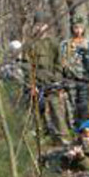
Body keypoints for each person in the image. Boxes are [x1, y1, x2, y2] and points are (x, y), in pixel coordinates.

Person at [25, 11, 70, 144]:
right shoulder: (30, 44)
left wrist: (56, 79)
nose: (39, 28)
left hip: (51, 83)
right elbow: (27, 66)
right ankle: (41, 137)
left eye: (42, 25)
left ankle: (63, 137)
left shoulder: (53, 43)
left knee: (56, 109)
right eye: (37, 25)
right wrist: (31, 85)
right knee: (38, 111)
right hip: (36, 84)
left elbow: (59, 63)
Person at [60, 13, 89, 126]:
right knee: (72, 105)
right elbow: (62, 62)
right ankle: (73, 128)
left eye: (80, 28)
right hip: (71, 80)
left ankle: (85, 128)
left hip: (85, 79)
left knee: (84, 106)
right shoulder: (66, 44)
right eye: (75, 28)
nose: (78, 30)